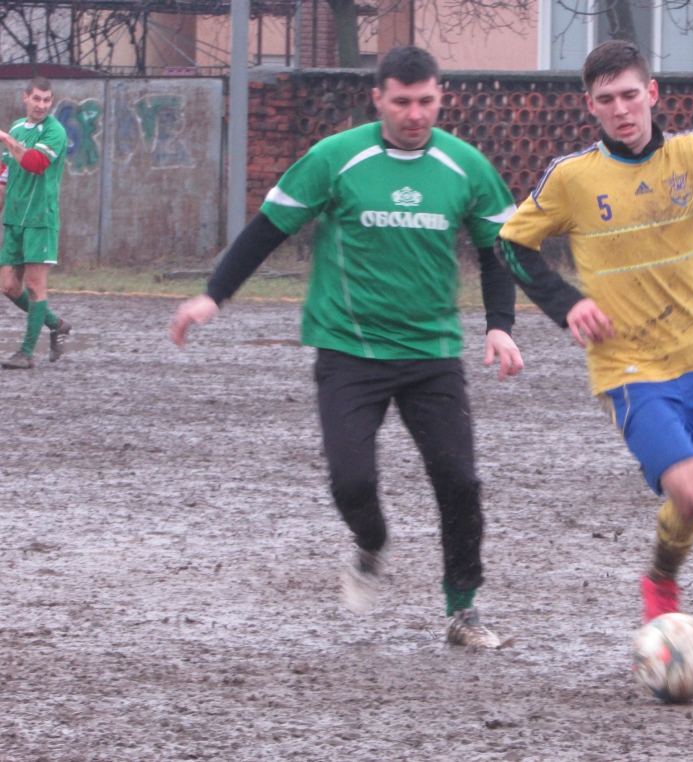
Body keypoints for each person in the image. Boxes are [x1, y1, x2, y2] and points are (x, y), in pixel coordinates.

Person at [170, 47, 523, 648]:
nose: (416, 114)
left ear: (441, 97)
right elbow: (268, 228)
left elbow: (499, 247)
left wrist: (500, 323)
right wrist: (214, 296)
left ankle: (463, 610)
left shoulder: (465, 165)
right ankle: (371, 543)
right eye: (403, 101)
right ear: (379, 98)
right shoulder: (337, 158)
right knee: (351, 483)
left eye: (426, 101)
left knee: (459, 481)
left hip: (431, 353)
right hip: (348, 351)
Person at [498, 40, 693, 673]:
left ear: (652, 94)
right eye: (606, 100)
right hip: (629, 368)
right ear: (590, 107)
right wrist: (566, 303)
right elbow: (511, 246)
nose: (621, 110)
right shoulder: (572, 177)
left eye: (631, 95)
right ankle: (660, 580)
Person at [0, 76, 72, 369]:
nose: (41, 105)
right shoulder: (18, 128)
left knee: (33, 285)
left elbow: (33, 163)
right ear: (25, 98)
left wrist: (5, 139)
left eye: (47, 99)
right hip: (15, 219)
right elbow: (5, 175)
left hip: (40, 218)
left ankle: (26, 353)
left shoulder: (55, 132)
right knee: (7, 286)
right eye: (37, 98)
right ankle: (57, 324)